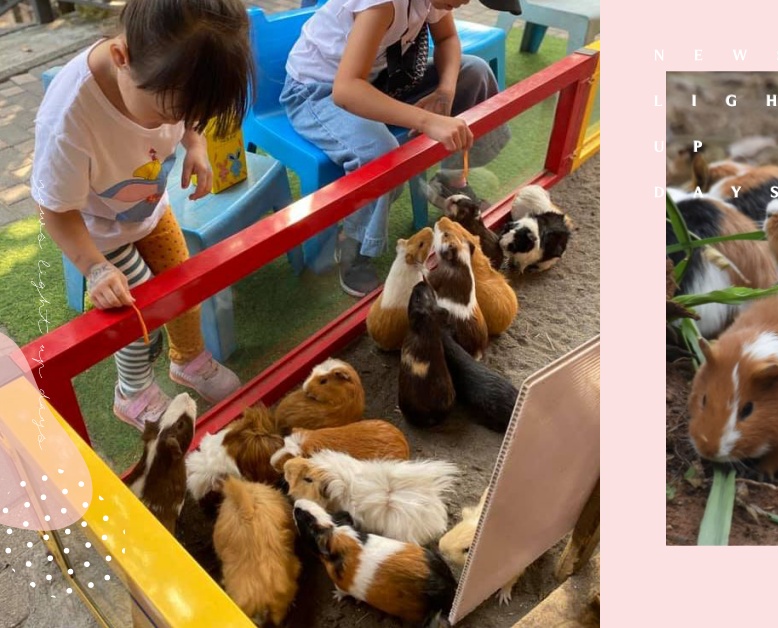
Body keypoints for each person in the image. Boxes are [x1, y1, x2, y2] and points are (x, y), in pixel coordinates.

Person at [32, 0, 254, 429]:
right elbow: (55, 208)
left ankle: (188, 360)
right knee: (139, 307)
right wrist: (94, 268)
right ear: (121, 58)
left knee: (182, 283)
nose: (175, 121)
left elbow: (192, 110)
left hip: (149, 209)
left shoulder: (172, 70)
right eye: (168, 113)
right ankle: (131, 393)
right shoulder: (69, 121)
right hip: (95, 232)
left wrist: (195, 145)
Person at [281, 0, 520, 297]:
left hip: (379, 80)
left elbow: (447, 39)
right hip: (317, 91)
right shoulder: (382, 4)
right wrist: (427, 120)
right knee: (380, 151)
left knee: (476, 74)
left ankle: (450, 184)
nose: (466, 2)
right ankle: (354, 244)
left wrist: (445, 92)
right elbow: (345, 90)